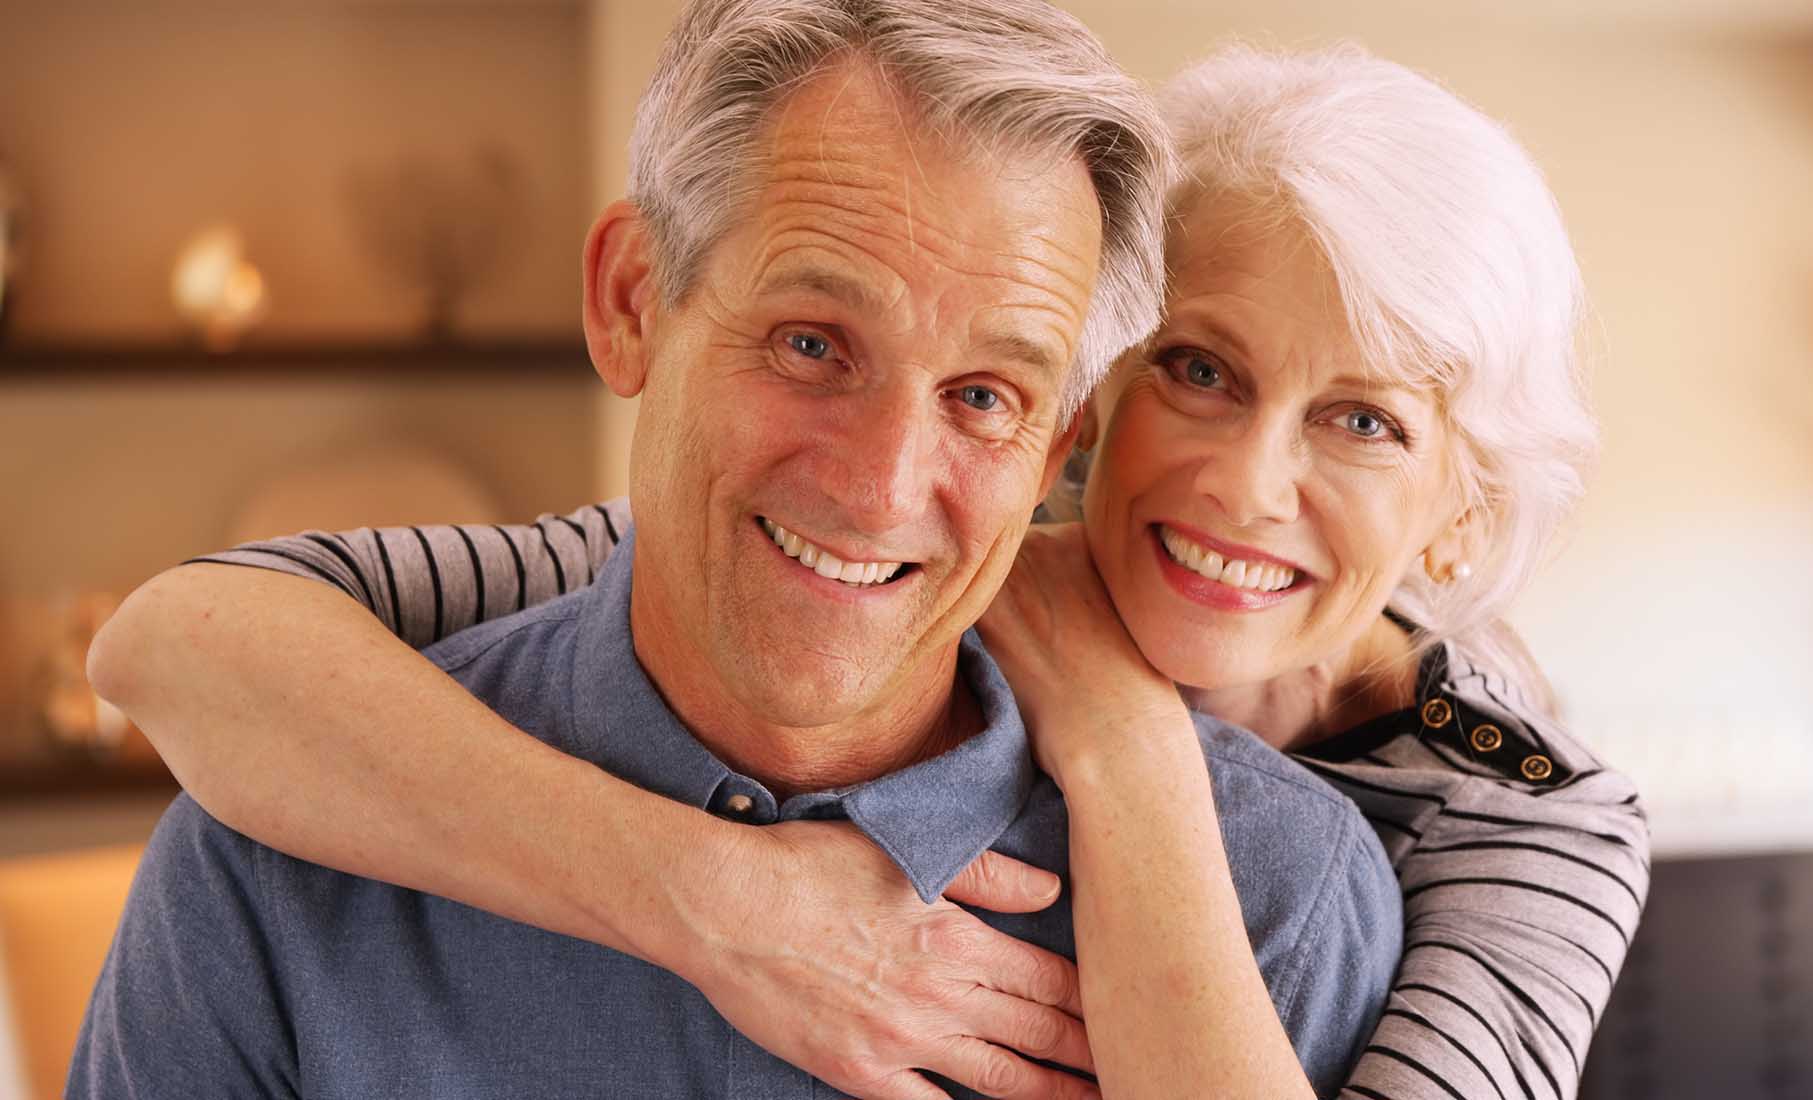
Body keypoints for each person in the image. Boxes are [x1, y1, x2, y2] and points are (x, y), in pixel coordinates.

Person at [88, 39, 1650, 1100]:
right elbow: (185, 643)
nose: (1245, 482)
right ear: (1101, 416)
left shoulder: (1503, 837)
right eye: (1200, 372)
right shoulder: (313, 824)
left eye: (1364, 420)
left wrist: (1122, 740)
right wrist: (715, 902)